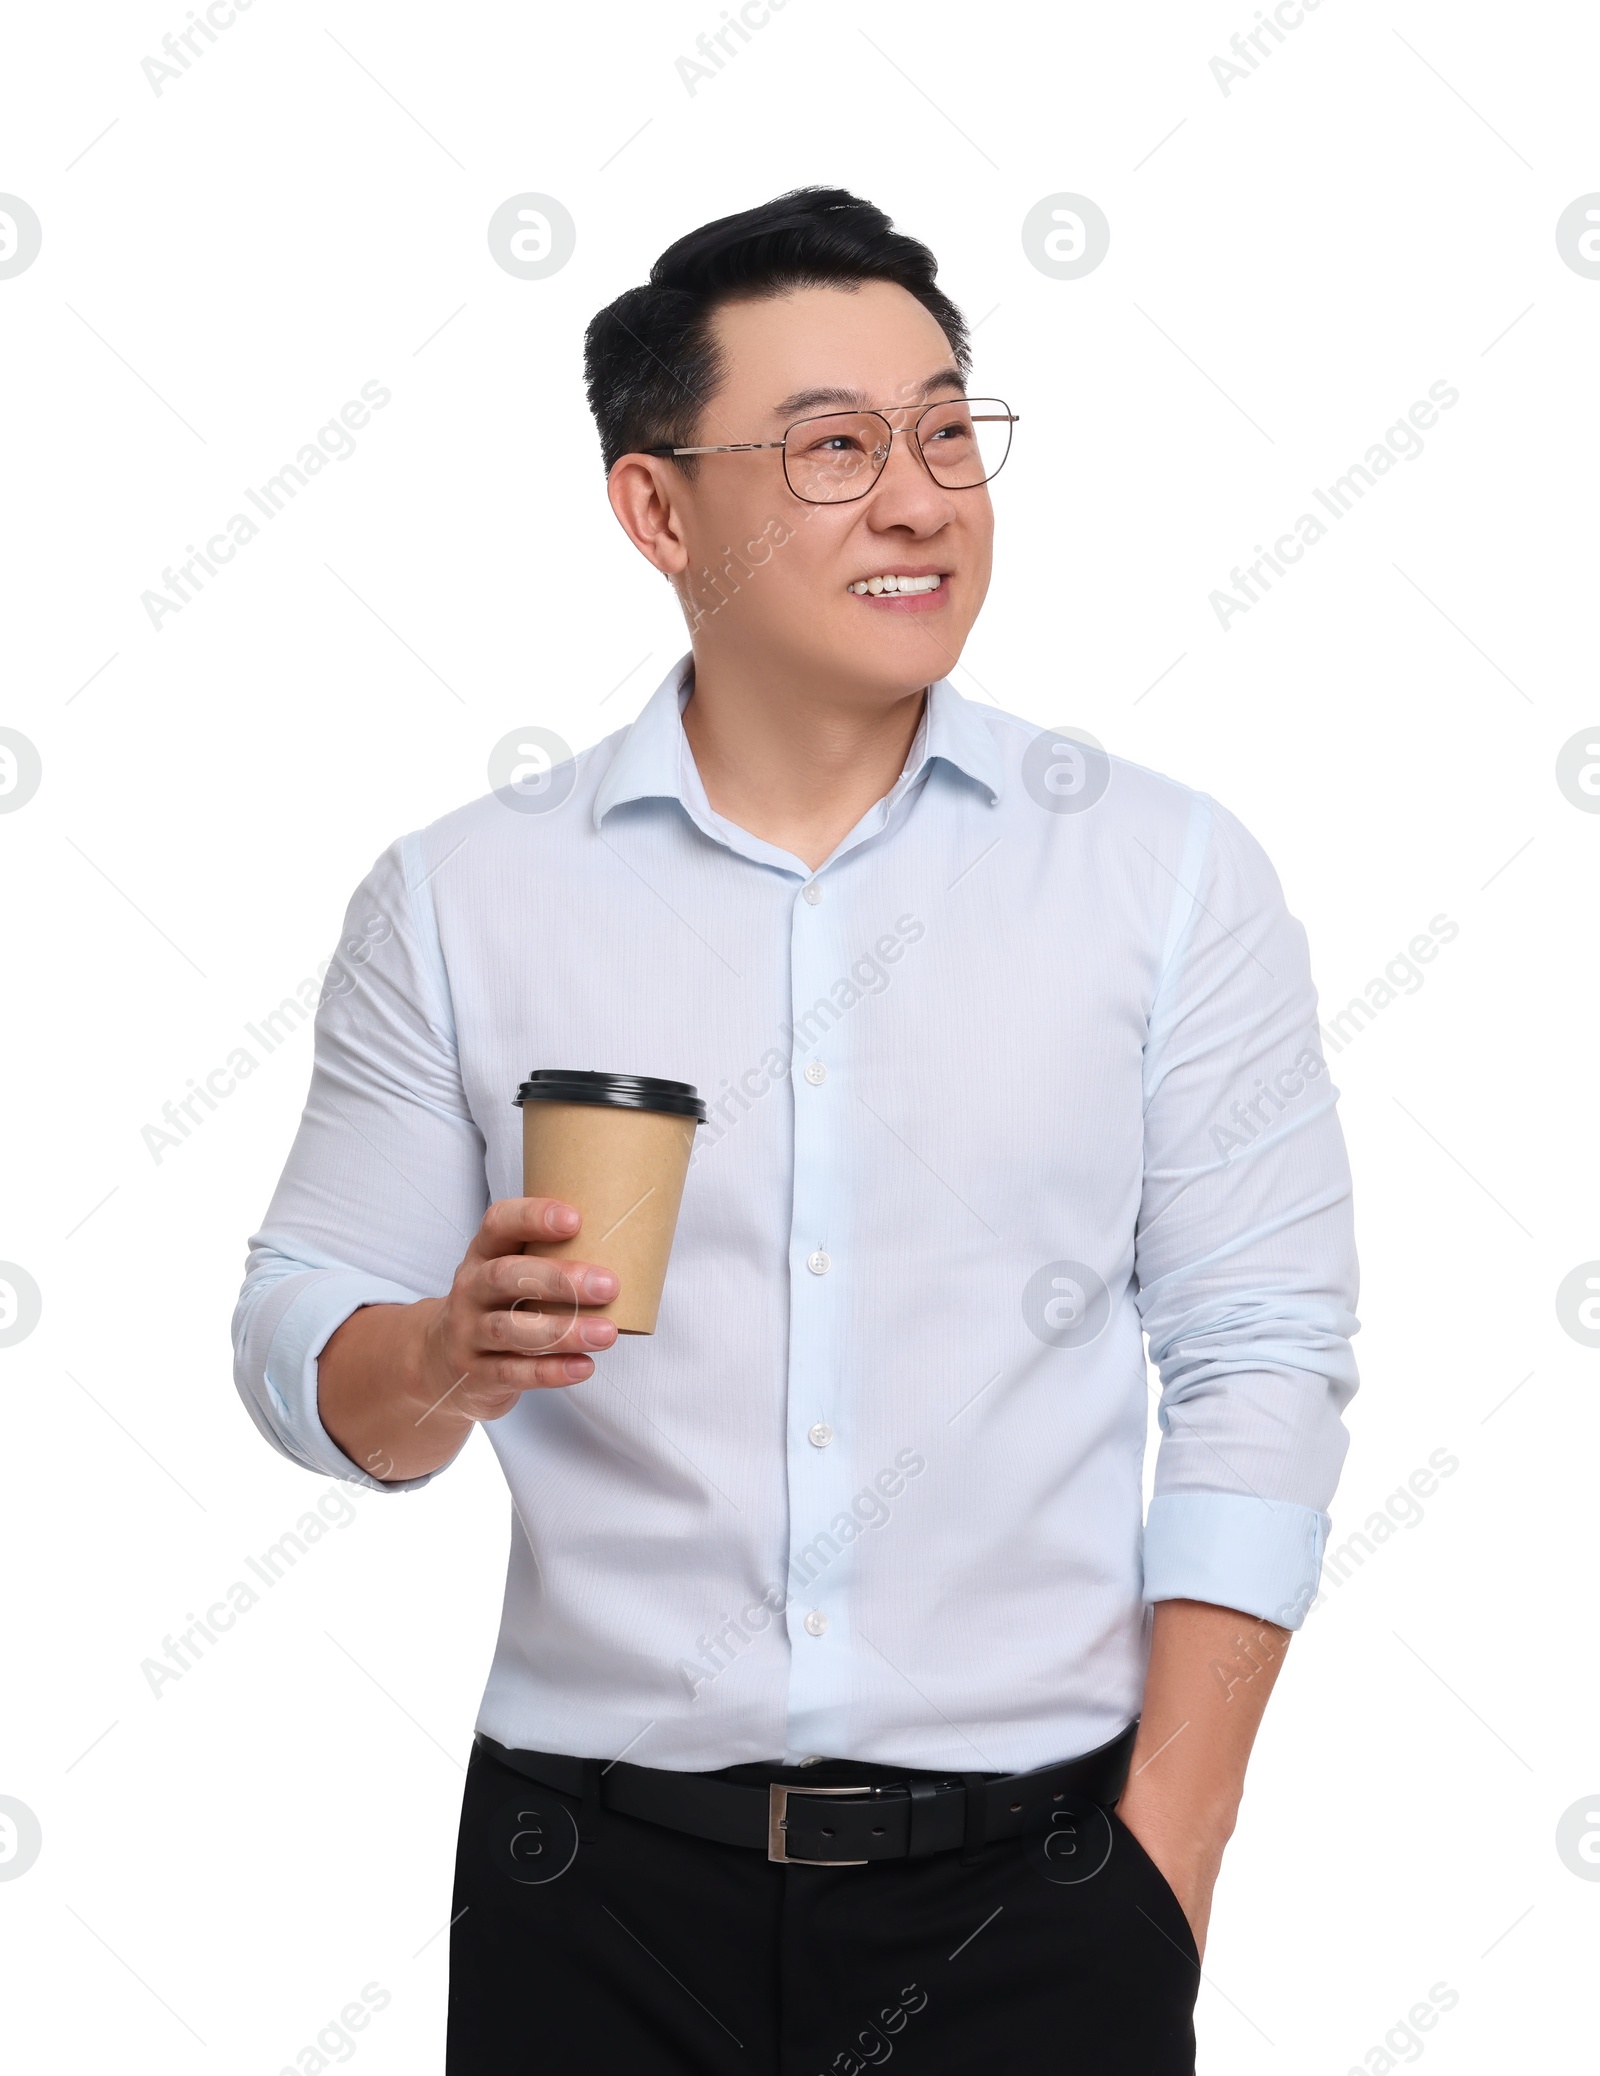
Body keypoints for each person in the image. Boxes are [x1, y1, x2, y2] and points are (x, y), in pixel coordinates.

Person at [232, 187, 1359, 2074]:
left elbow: (1264, 1359)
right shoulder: (463, 896)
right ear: (658, 510)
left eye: (945, 429)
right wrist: (440, 1356)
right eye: (836, 446)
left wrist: (1170, 1855)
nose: (920, 496)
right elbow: (297, 1341)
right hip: (585, 1889)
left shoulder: (1163, 877)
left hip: (1043, 1890)